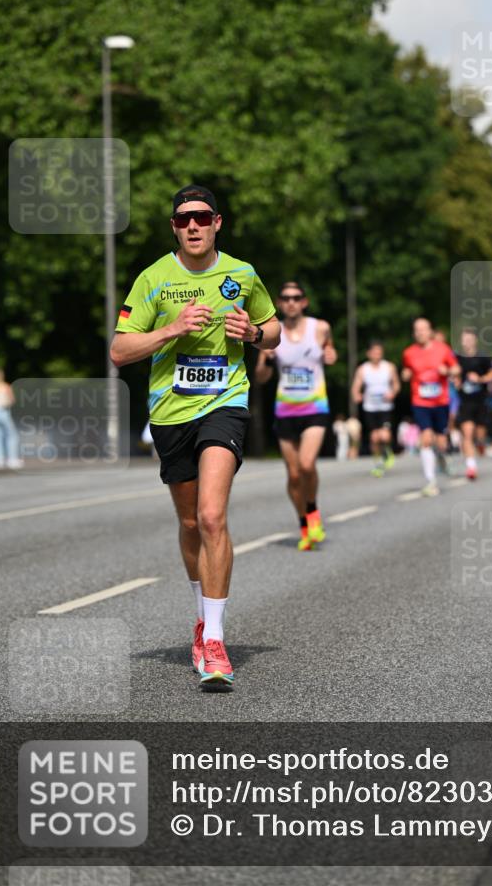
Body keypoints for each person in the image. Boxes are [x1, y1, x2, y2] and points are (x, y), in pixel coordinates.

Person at [110, 184, 279, 686]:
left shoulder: (243, 274)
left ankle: (216, 641)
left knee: (211, 515)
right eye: (184, 219)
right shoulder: (153, 279)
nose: (193, 226)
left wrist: (251, 335)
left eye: (202, 217)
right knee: (189, 524)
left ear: (217, 222)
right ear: (174, 227)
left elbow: (273, 333)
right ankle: (201, 614)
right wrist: (170, 329)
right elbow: (120, 351)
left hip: (225, 402)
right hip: (170, 412)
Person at [254, 281, 336, 551]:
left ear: (304, 301)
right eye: (286, 297)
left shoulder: (320, 327)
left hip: (315, 408)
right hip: (285, 410)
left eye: (296, 297)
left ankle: (312, 510)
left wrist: (330, 354)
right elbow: (261, 378)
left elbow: (329, 350)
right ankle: (304, 525)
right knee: (293, 474)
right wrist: (265, 360)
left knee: (307, 464)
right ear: (279, 303)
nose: (291, 302)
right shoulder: (272, 333)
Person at [401, 318, 459, 496]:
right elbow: (406, 371)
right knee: (425, 438)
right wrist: (406, 374)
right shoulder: (409, 353)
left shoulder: (443, 349)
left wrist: (448, 371)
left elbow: (456, 369)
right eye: (417, 330)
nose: (420, 333)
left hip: (440, 401)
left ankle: (441, 455)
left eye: (423, 329)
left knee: (441, 442)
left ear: (430, 331)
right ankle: (430, 481)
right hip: (420, 401)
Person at [351, 341, 400, 477]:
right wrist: (356, 395)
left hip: (385, 406)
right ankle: (378, 462)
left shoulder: (389, 367)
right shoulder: (363, 369)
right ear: (369, 354)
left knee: (384, 435)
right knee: (374, 437)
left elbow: (396, 385)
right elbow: (356, 386)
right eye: (374, 352)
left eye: (379, 352)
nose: (376, 355)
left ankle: (387, 451)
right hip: (370, 407)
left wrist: (392, 393)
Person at [453, 329, 492, 480]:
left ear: (475, 340)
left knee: (480, 434)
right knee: (467, 433)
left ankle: (481, 444)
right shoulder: (457, 358)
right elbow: (454, 374)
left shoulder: (483, 357)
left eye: (470, 339)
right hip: (465, 401)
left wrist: (481, 379)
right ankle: (471, 466)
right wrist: (455, 380)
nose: (467, 342)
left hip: (481, 401)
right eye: (465, 339)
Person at [0, 369, 23, 469]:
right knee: (12, 435)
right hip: (2, 412)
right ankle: (12, 459)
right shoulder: (5, 386)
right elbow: (12, 400)